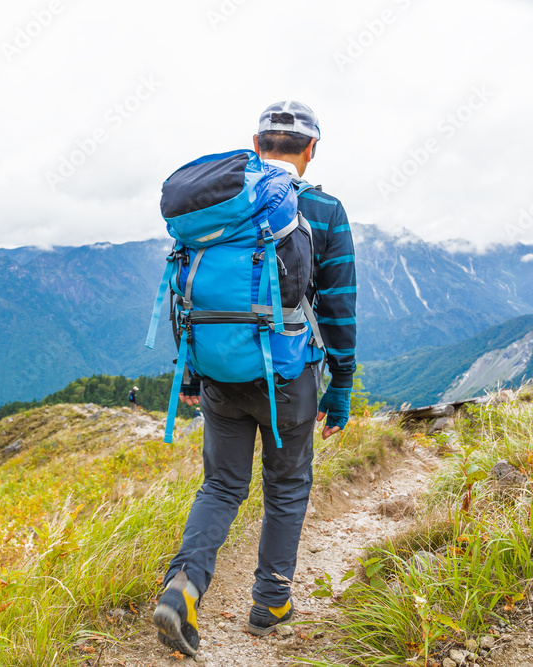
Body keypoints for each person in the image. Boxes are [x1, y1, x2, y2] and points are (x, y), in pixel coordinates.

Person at [152, 101, 357, 656]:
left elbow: (183, 292)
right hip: (289, 377)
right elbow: (337, 305)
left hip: (219, 372)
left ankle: (184, 586)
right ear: (311, 150)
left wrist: (191, 371)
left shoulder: (222, 206)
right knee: (286, 485)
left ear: (256, 143)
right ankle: (270, 602)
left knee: (220, 484)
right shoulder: (324, 210)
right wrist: (340, 385)